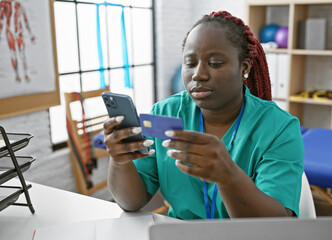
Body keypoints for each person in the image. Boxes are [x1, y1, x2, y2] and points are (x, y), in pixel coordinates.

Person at [103, 11, 304, 220]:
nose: (198, 74)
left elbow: (275, 226)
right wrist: (120, 161)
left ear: (244, 67)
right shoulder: (164, 113)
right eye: (190, 63)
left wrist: (229, 177)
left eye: (215, 63)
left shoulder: (279, 128)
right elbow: (131, 202)